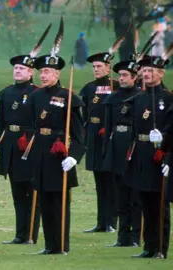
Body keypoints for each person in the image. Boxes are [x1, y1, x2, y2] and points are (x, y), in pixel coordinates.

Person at [28, 52, 85, 255]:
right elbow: (31, 125)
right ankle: (49, 245)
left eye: (47, 72)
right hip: (41, 152)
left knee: (59, 201)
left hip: (60, 154)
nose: (43, 75)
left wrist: (74, 156)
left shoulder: (68, 97)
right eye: (41, 72)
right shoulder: (35, 97)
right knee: (44, 200)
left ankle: (62, 245)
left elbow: (79, 133)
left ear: (57, 73)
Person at [125, 55, 172, 259]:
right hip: (141, 152)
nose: (146, 73)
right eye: (144, 70)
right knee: (144, 200)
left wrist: (164, 140)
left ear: (160, 73)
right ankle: (149, 246)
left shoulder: (169, 98)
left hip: (159, 154)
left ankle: (161, 248)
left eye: (150, 70)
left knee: (159, 202)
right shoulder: (139, 97)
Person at [0, 54, 40, 245]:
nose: (17, 71)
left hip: (29, 145)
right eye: (15, 68)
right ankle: (19, 234)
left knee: (31, 192)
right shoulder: (6, 93)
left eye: (21, 68)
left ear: (31, 72)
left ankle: (31, 234)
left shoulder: (36, 93)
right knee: (17, 193)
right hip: (12, 145)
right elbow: (1, 123)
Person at [103, 60, 141, 247]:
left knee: (135, 196)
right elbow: (108, 126)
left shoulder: (141, 97)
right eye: (120, 75)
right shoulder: (113, 98)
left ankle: (136, 236)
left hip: (133, 148)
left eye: (126, 75)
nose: (121, 78)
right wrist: (106, 151)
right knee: (121, 196)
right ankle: (122, 237)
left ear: (135, 77)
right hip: (117, 147)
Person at [81, 51, 119, 233]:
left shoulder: (116, 87)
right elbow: (84, 115)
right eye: (94, 67)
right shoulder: (88, 88)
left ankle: (112, 220)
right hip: (94, 136)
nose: (96, 69)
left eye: (99, 66)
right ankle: (101, 221)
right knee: (99, 182)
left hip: (109, 137)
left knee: (110, 181)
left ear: (108, 67)